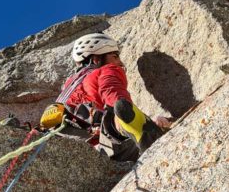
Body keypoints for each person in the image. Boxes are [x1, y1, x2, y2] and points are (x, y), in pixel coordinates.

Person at [42, 33, 167, 161]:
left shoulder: (68, 87)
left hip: (61, 146)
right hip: (106, 144)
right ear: (96, 59)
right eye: (115, 56)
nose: (120, 62)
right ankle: (136, 126)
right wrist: (125, 111)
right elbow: (112, 91)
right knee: (118, 119)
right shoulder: (107, 70)